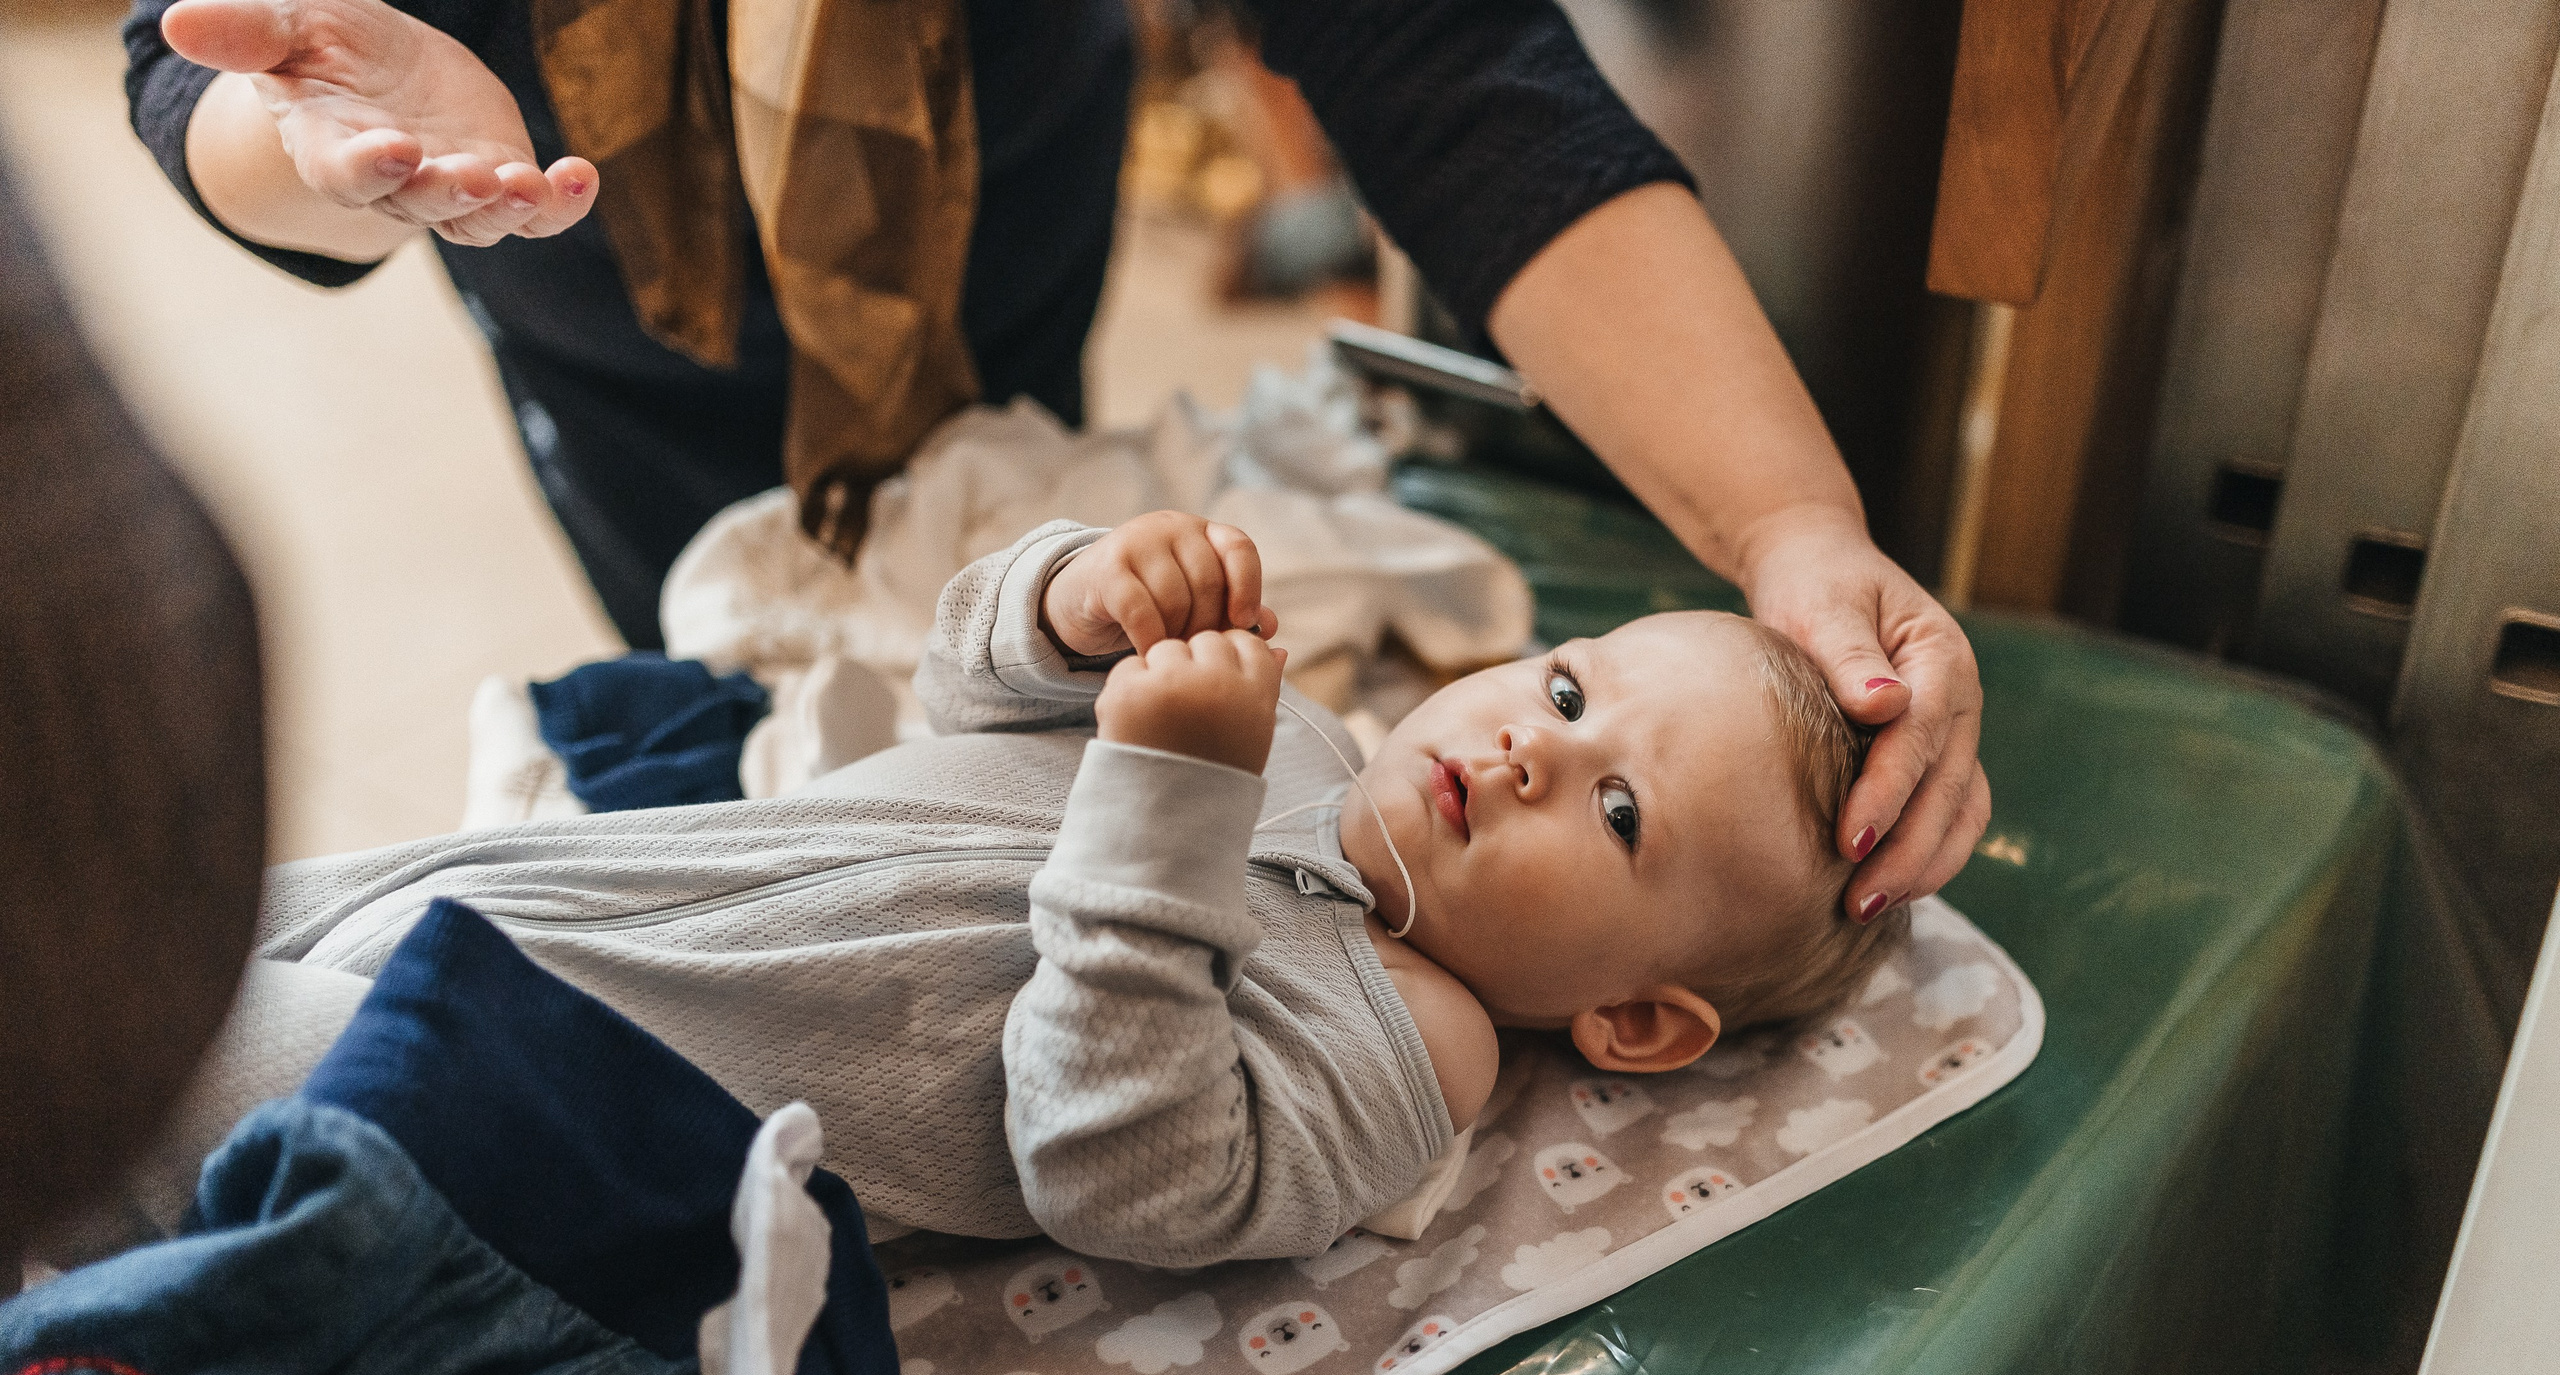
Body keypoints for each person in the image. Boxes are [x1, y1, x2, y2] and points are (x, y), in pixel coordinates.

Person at [121, 0, 1988, 924]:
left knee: (997, 624)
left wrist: (1791, 524)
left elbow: (1445, 66)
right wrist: (323, 147)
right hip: (596, 333)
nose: (1522, 749)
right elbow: (194, 62)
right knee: (708, 699)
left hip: (990, 291)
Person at [191, 508, 1903, 1270]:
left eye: (1617, 813)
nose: (1535, 748)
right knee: (150, 945)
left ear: (1633, 1017)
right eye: (1571, 687)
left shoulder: (1420, 1037)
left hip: (588, 1085)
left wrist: (1164, 793)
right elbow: (966, 687)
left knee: (153, 1111)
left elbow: (1121, 1166)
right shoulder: (1290, 720)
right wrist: (1073, 596)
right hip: (571, 880)